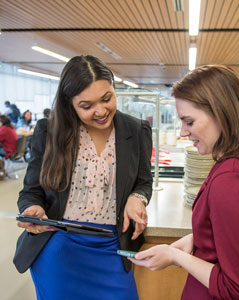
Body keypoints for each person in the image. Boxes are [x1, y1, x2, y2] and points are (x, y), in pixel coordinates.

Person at [129, 65, 239, 300]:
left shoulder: (232, 180)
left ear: (221, 113)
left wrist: (176, 257)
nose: (182, 132)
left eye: (189, 122)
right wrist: (198, 239)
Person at [14, 55, 153, 300]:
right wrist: (33, 208)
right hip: (59, 247)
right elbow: (31, 191)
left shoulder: (136, 130)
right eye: (87, 106)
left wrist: (137, 198)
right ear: (70, 104)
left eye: (107, 98)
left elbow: (143, 181)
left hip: (113, 246)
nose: (101, 111)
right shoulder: (49, 131)